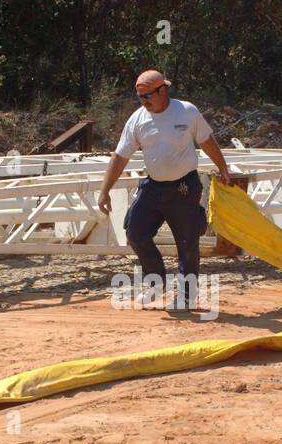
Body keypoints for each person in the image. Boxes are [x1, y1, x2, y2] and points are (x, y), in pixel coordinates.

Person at [97, 70, 231, 310]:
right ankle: (155, 283)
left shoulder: (187, 111)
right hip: (153, 187)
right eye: (140, 96)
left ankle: (187, 296)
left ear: (163, 90)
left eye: (148, 95)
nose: (144, 101)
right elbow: (120, 156)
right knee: (135, 232)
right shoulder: (138, 119)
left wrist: (223, 168)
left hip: (183, 187)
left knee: (187, 241)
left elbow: (206, 140)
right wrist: (104, 189)